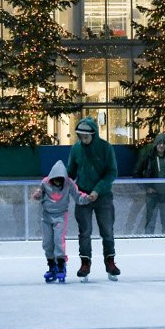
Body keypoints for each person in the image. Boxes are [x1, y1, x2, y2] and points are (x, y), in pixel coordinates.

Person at [67, 117, 120, 281]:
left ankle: (110, 262)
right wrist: (61, 186)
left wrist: (98, 190)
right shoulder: (76, 149)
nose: (83, 139)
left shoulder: (105, 148)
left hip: (103, 197)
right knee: (84, 232)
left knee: (107, 231)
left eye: (86, 137)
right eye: (80, 136)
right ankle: (85, 263)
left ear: (93, 134)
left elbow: (112, 172)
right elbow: (70, 172)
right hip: (83, 197)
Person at [31, 160, 93, 283]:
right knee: (47, 243)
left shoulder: (69, 183)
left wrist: (88, 198)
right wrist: (37, 195)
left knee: (58, 241)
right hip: (46, 217)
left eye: (60, 181)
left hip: (60, 216)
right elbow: (40, 195)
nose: (58, 183)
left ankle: (61, 265)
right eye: (55, 180)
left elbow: (77, 196)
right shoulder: (45, 182)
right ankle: (51, 266)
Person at [134, 133, 165, 234]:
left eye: (164, 143)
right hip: (152, 196)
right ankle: (149, 240)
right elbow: (136, 173)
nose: (161, 145)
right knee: (150, 221)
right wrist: (146, 188)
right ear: (155, 144)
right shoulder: (148, 159)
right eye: (159, 143)